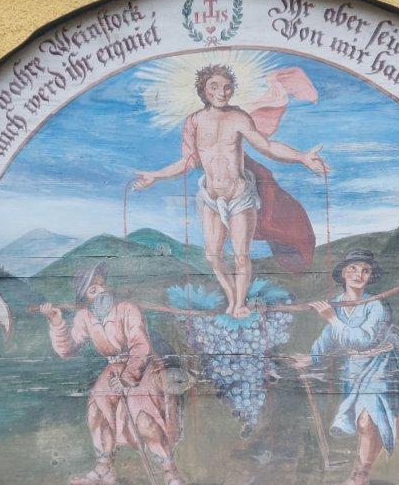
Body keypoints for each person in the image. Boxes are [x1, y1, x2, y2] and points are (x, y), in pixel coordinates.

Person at [132, 64, 328, 318]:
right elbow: (189, 162)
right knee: (212, 256)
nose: (221, 92)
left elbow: (267, 146)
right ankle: (232, 297)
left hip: (240, 196)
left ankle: (239, 304)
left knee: (240, 255)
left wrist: (301, 157)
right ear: (203, 89)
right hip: (211, 197)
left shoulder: (239, 118)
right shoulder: (194, 121)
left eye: (227, 87)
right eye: (214, 86)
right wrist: (156, 176)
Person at [39, 262, 191, 485]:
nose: (101, 292)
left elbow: (140, 346)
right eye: (93, 290)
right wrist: (57, 322)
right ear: (85, 298)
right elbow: (67, 350)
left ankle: (171, 474)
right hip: (113, 369)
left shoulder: (127, 309)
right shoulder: (84, 317)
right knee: (97, 411)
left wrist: (129, 377)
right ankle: (104, 470)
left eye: (101, 285)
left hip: (142, 367)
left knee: (145, 420)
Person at [293, 249, 399, 485]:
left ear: (370, 276)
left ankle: (359, 479)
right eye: (352, 268)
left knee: (367, 420)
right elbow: (329, 336)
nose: (358, 274)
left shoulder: (376, 305)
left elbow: (362, 340)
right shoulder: (339, 304)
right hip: (357, 369)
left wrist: (332, 319)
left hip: (383, 365)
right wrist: (312, 357)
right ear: (342, 273)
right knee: (391, 417)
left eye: (365, 270)